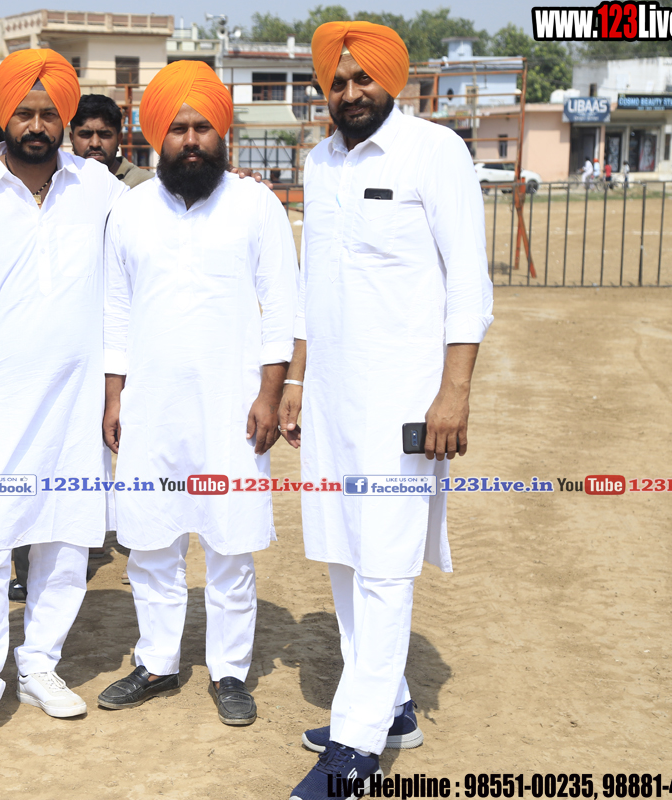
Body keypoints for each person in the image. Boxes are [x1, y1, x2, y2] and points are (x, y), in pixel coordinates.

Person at [277, 23, 493, 799]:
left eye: (362, 77)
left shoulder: (435, 152)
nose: (349, 92)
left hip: (404, 402)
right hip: (333, 402)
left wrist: (454, 391)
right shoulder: (319, 162)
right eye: (337, 81)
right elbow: (312, 285)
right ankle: (392, 706)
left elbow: (469, 283)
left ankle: (355, 750)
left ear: (390, 78)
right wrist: (297, 382)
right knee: (342, 549)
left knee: (386, 563)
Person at [0, 48, 125, 755]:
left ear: (65, 118)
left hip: (75, 408)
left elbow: (156, 228)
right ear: (0, 116)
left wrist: (235, 185)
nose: (36, 125)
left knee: (67, 541)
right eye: (24, 112)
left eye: (48, 113)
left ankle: (39, 663)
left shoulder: (97, 186)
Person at [96, 60, 298, 726]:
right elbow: (115, 310)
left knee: (229, 543)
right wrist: (114, 396)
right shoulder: (129, 212)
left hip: (232, 405)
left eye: (202, 127)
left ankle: (230, 671)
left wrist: (271, 394)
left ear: (222, 132)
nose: (190, 140)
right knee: (151, 541)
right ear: (157, 136)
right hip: (150, 404)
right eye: (178, 128)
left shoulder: (256, 206)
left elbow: (282, 307)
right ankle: (157, 661)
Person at [69, 93, 153, 188]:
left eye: (105, 135)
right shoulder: (60, 182)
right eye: (85, 135)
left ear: (119, 139)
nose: (95, 144)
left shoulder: (145, 185)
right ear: (72, 139)